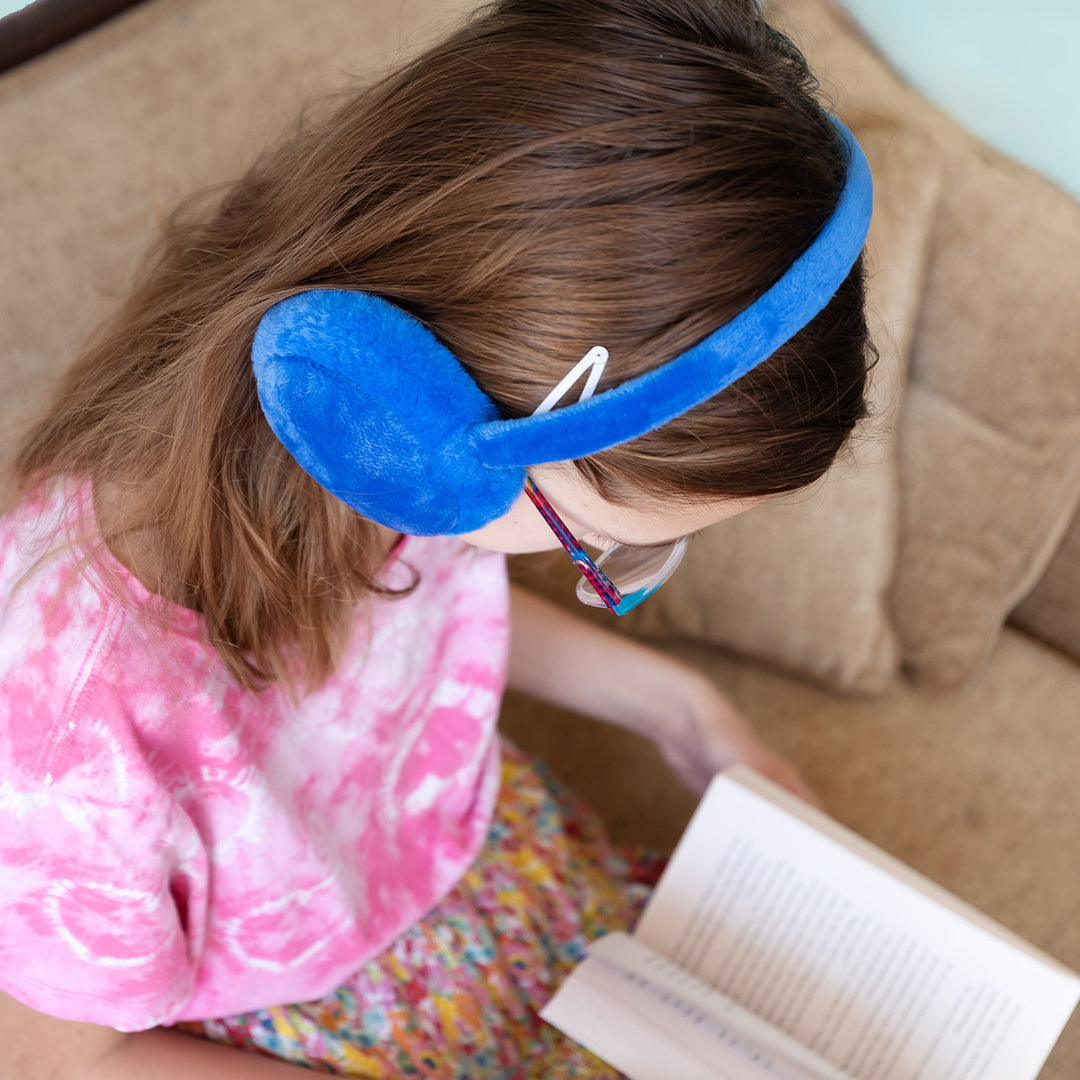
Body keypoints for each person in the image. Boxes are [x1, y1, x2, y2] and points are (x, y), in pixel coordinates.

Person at [0, 0, 874, 1075]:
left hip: (465, 854)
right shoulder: (61, 721)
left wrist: (684, 711)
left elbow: (414, 627)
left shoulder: (394, 455)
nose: (574, 567)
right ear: (400, 412)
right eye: (595, 539)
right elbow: (61, 1058)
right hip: (302, 1011)